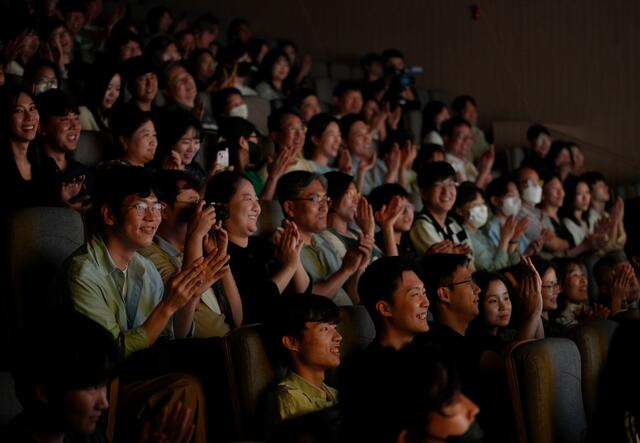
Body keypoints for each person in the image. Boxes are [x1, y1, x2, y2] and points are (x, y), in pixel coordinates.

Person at [55, 165, 230, 358]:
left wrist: (192, 297)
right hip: (107, 382)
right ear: (109, 215)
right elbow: (110, 356)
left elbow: (173, 336)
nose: (153, 217)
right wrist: (167, 306)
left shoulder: (145, 268)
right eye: (140, 207)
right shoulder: (82, 274)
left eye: (155, 206)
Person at [141, 170, 243, 337]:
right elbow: (186, 303)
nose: (198, 212)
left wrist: (218, 256)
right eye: (192, 206)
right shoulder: (149, 252)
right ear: (164, 211)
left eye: (200, 205)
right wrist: (195, 235)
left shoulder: (197, 250)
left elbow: (237, 318)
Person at [206, 171, 310, 323]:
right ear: (222, 208)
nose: (257, 207)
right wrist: (289, 267)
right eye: (248, 199)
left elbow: (305, 297)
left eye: (256, 199)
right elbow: (251, 311)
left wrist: (295, 258)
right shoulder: (217, 253)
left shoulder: (264, 245)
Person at [277, 171, 370, 305]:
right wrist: (345, 271)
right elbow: (310, 303)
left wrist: (359, 267)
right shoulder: (283, 244)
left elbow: (349, 294)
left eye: (325, 200)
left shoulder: (323, 241)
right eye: (315, 199)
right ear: (290, 207)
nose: (324, 207)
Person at [267, 294, 341, 421]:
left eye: (335, 328)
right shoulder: (289, 399)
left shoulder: (334, 394)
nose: (338, 337)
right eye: (324, 329)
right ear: (292, 342)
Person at [35, 88, 93, 210]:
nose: (74, 126)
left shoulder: (83, 172)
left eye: (77, 118)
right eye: (65, 119)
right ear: (42, 127)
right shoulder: (32, 172)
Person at [453, 182, 522, 272]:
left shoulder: (479, 233)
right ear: (459, 210)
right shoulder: (465, 237)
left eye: (482, 203)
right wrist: (504, 240)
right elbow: (492, 271)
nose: (482, 208)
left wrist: (513, 241)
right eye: (475, 205)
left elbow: (512, 265)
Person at [409, 161, 471, 258]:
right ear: (424, 193)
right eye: (438, 186)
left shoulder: (454, 223)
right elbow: (447, 264)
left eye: (451, 184)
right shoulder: (422, 225)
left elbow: (470, 261)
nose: (446, 192)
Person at [0, 83, 45, 210]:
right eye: (19, 110)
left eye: (32, 108)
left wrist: (61, 200)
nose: (30, 117)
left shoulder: (45, 164)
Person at [319, 171, 379, 263]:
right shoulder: (326, 236)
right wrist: (369, 232)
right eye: (350, 195)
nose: (356, 201)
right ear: (331, 199)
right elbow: (353, 271)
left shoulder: (357, 232)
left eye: (357, 196)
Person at [155, 108, 206, 185]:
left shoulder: (196, 169)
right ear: (171, 141)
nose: (192, 149)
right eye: (186, 142)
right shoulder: (156, 171)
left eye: (196, 142)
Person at [441, 116, 494, 189]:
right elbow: (469, 197)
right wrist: (484, 172)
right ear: (446, 139)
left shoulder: (465, 161)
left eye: (468, 137)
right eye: (461, 137)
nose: (467, 141)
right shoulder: (447, 165)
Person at [368, 184, 416, 259]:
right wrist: (387, 226)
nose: (407, 212)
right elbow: (395, 269)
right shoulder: (374, 244)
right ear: (379, 215)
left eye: (408, 206)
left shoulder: (408, 240)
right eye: (400, 208)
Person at [78, 63, 121, 131]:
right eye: (108, 88)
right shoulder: (83, 112)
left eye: (117, 89)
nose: (113, 94)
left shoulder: (115, 114)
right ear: (96, 87)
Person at [451, 95, 489, 162]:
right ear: (456, 114)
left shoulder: (477, 132)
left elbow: (486, 154)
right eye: (468, 111)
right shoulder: (451, 131)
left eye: (474, 111)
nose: (473, 115)